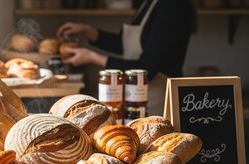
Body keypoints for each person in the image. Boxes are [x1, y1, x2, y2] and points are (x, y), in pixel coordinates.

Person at [56, 0, 196, 116]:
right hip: (136, 97)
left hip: (158, 101)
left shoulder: (172, 5)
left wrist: (92, 57)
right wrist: (87, 31)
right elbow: (124, 44)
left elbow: (147, 69)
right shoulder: (148, 3)